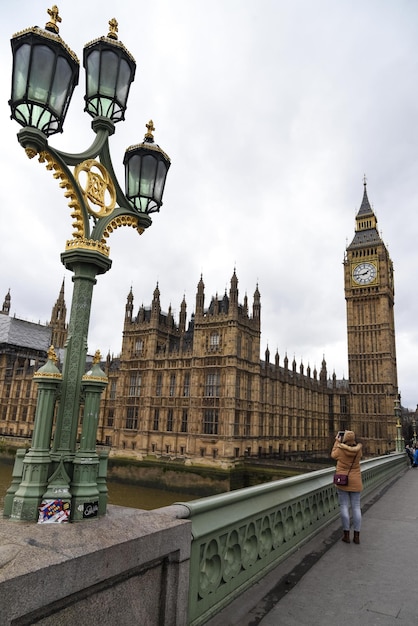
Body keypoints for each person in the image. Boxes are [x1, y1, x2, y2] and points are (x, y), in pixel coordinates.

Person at [331, 430, 363, 544]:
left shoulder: (340, 450)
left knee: (344, 507)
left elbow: (333, 454)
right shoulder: (358, 451)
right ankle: (357, 536)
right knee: (356, 508)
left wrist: (337, 441)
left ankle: (346, 534)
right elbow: (360, 458)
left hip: (342, 481)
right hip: (356, 481)